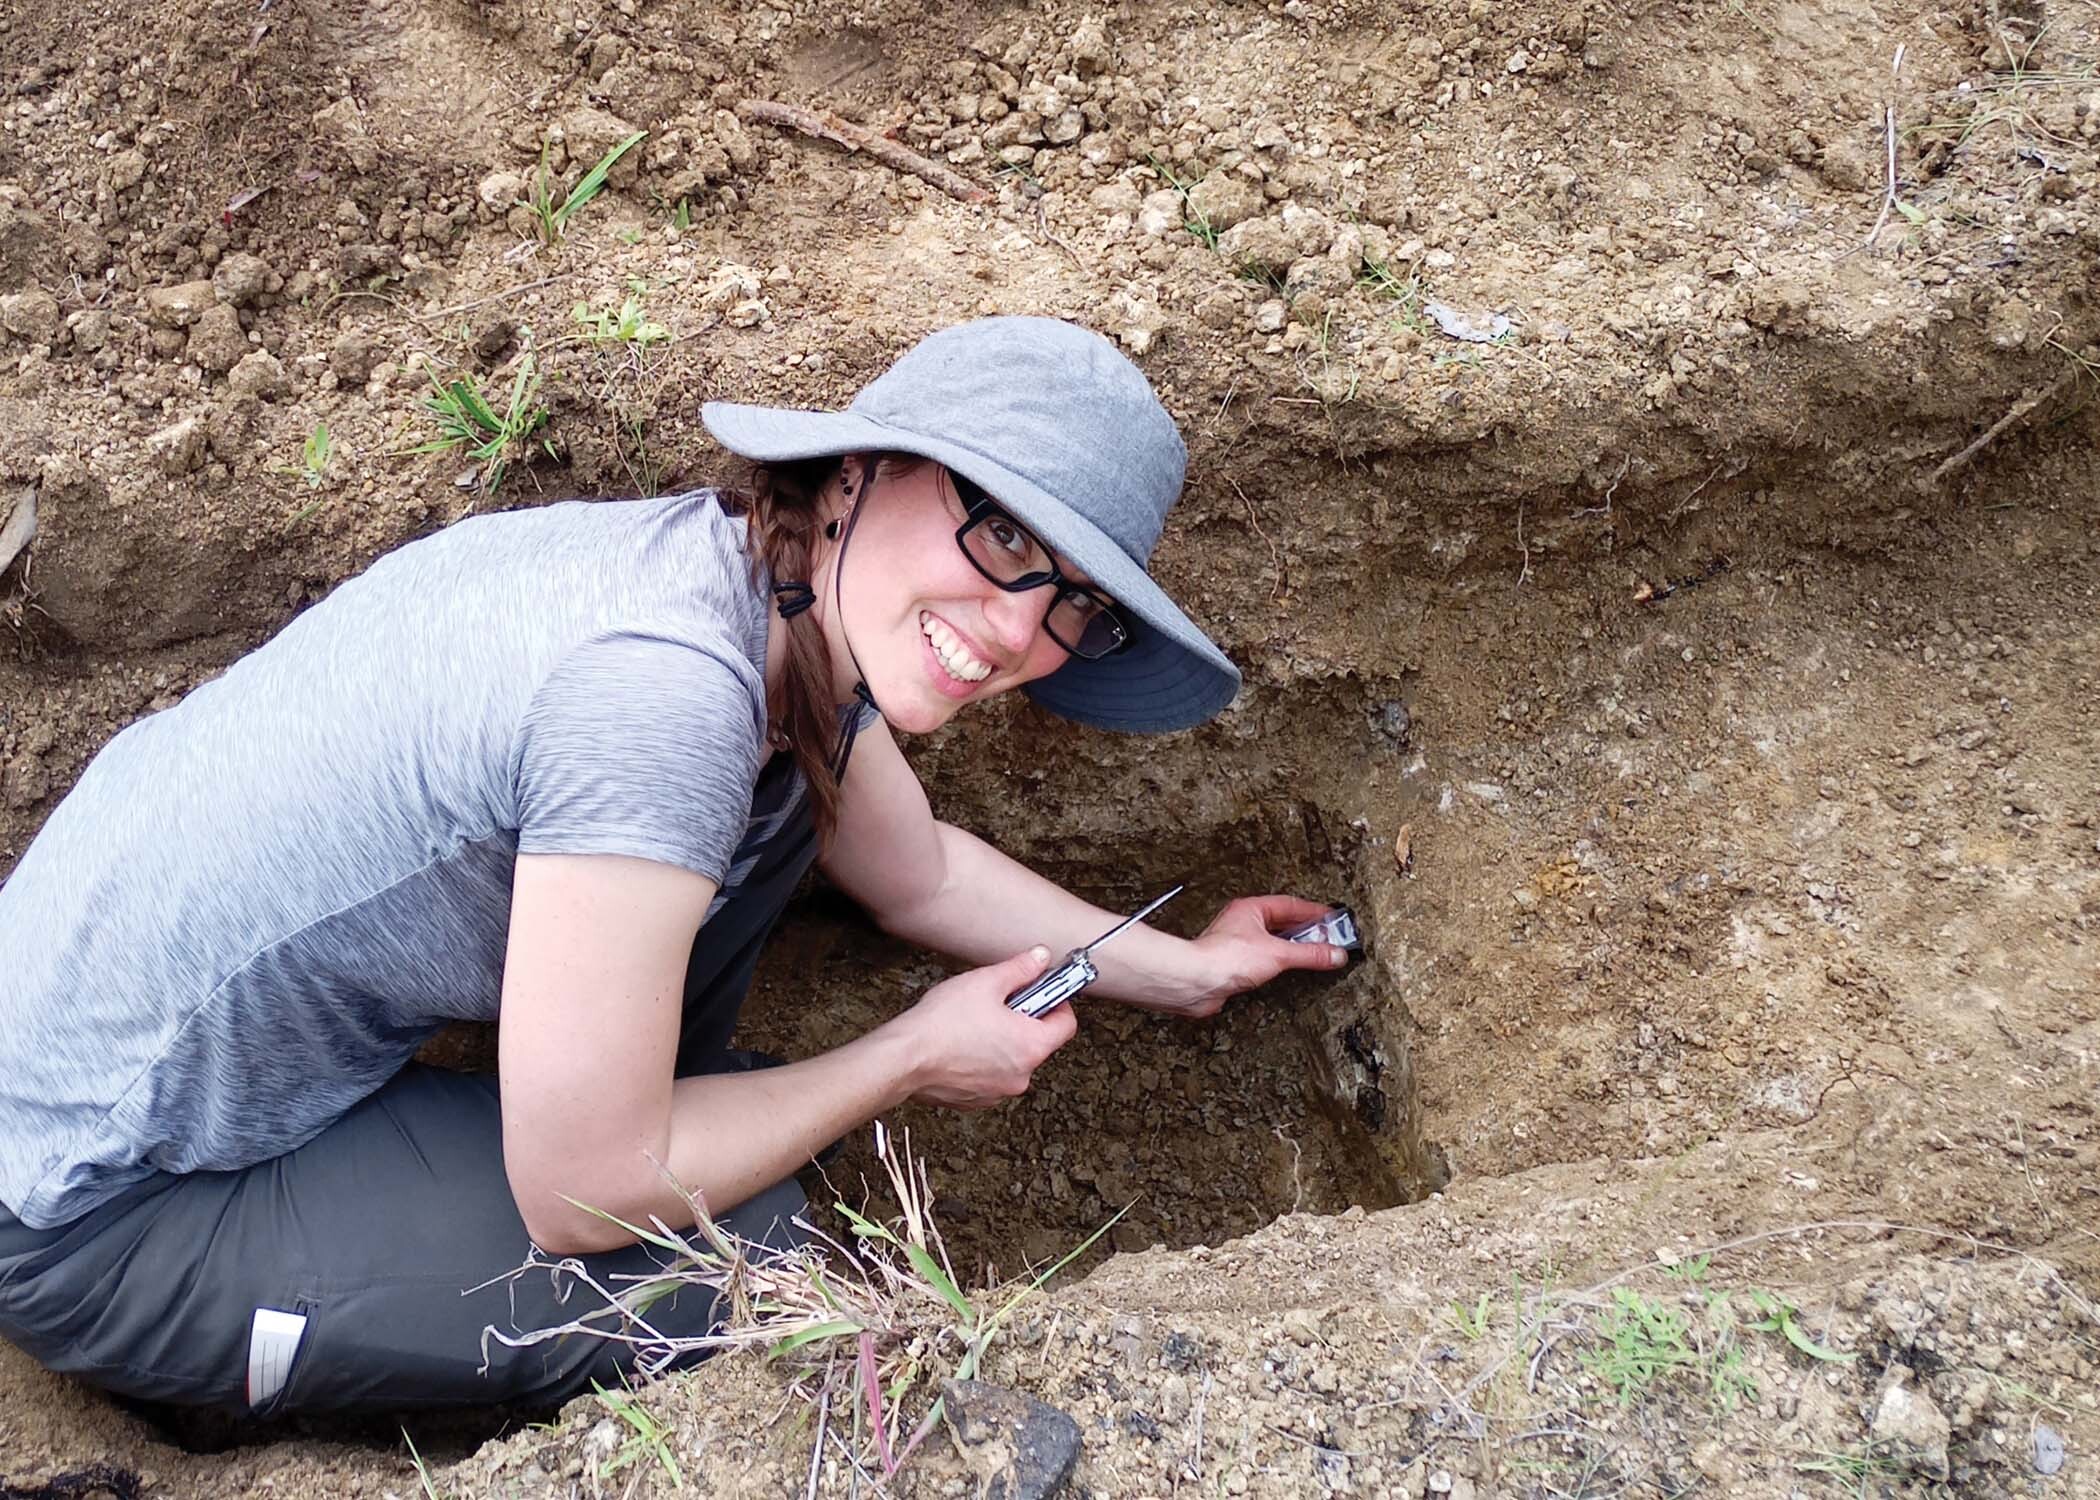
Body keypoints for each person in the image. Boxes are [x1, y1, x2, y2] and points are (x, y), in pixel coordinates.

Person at [0, 317, 1348, 1415]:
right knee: (747, 1269)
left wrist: (1180, 969)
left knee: (770, 845)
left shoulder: (770, 596)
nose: (1013, 630)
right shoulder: (662, 702)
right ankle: (232, 1367)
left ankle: (569, 1149)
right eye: (1000, 538)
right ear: (863, 470)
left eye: (1074, 605)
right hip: (95, 1200)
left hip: (134, 1037)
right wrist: (908, 1056)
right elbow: (585, 1186)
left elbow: (917, 872)